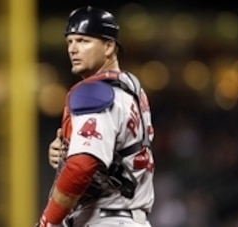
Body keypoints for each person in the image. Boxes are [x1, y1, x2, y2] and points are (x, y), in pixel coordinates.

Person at [37, 5, 155, 227]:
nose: (73, 49)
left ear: (109, 46)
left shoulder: (93, 92)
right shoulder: (131, 88)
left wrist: (47, 222)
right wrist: (69, 148)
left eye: (83, 41)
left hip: (105, 218)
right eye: (70, 42)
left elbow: (81, 167)